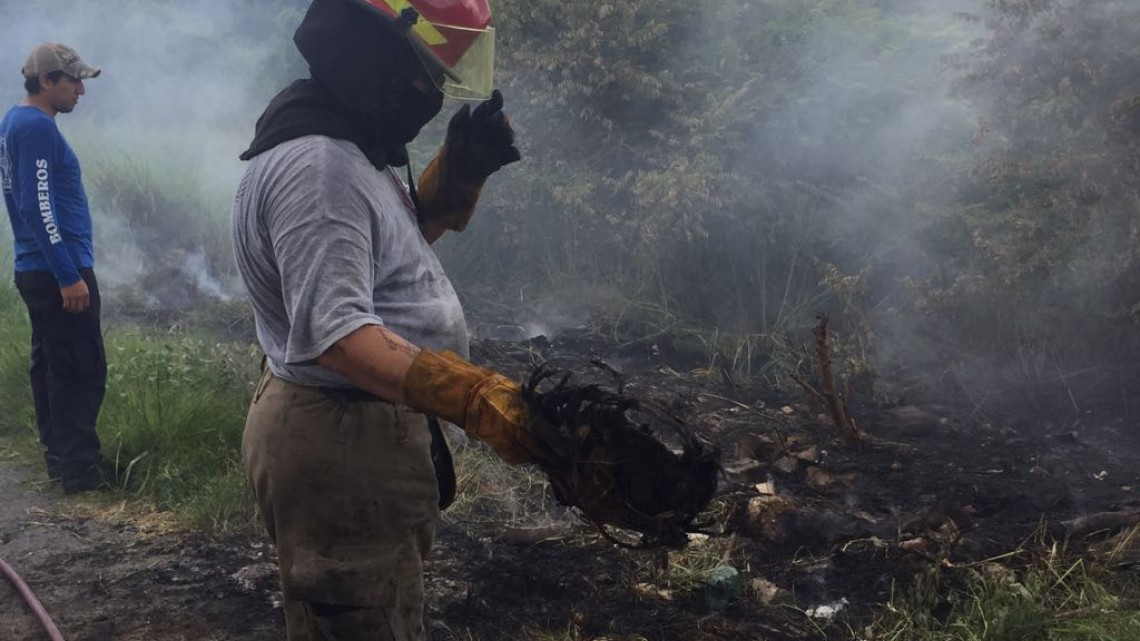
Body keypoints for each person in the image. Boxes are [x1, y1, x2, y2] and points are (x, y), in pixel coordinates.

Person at [232, 1, 538, 638]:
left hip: (356, 432)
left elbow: (382, 257)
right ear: (374, 51)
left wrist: (457, 178)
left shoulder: (343, 142)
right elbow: (339, 337)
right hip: (344, 441)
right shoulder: (320, 169)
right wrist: (473, 397)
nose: (432, 95)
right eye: (427, 74)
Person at [0, 43, 113, 494]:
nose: (80, 91)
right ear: (46, 81)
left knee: (51, 363)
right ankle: (83, 472)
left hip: (36, 266)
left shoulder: (14, 121)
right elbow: (36, 204)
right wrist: (69, 274)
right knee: (80, 367)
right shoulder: (36, 127)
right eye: (74, 81)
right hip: (57, 270)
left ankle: (63, 461)